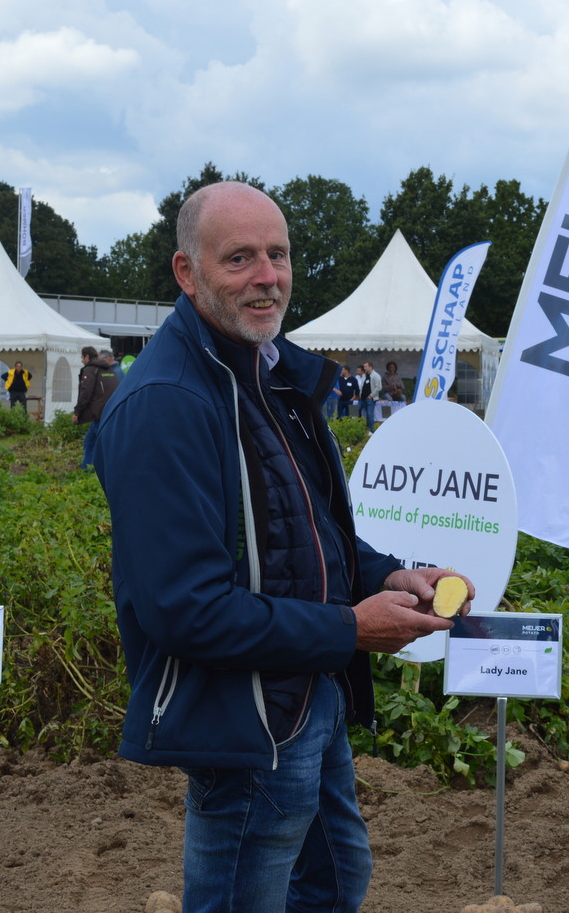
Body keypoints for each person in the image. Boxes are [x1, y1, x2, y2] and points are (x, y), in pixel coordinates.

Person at [89, 181, 471, 913]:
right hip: (243, 718)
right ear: (187, 272)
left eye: (278, 254)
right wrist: (351, 629)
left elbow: (306, 533)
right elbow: (186, 610)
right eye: (239, 258)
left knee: (335, 878)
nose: (267, 276)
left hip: (303, 694)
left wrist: (389, 575)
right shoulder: (167, 403)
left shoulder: (266, 374)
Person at [73, 346, 119, 466]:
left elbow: (85, 393)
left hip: (98, 413)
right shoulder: (108, 369)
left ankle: (89, 470)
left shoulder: (90, 369)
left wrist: (77, 412)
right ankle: (91, 469)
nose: (81, 360)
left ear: (87, 356)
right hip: (109, 411)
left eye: (82, 357)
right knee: (92, 442)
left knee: (93, 444)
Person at [360, 360, 382, 430]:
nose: (364, 368)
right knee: (358, 412)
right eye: (364, 367)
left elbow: (379, 387)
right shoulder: (364, 375)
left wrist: (371, 395)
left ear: (370, 367)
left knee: (370, 414)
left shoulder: (376, 375)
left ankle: (371, 430)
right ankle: (363, 428)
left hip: (370, 399)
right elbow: (362, 386)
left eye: (366, 366)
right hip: (362, 398)